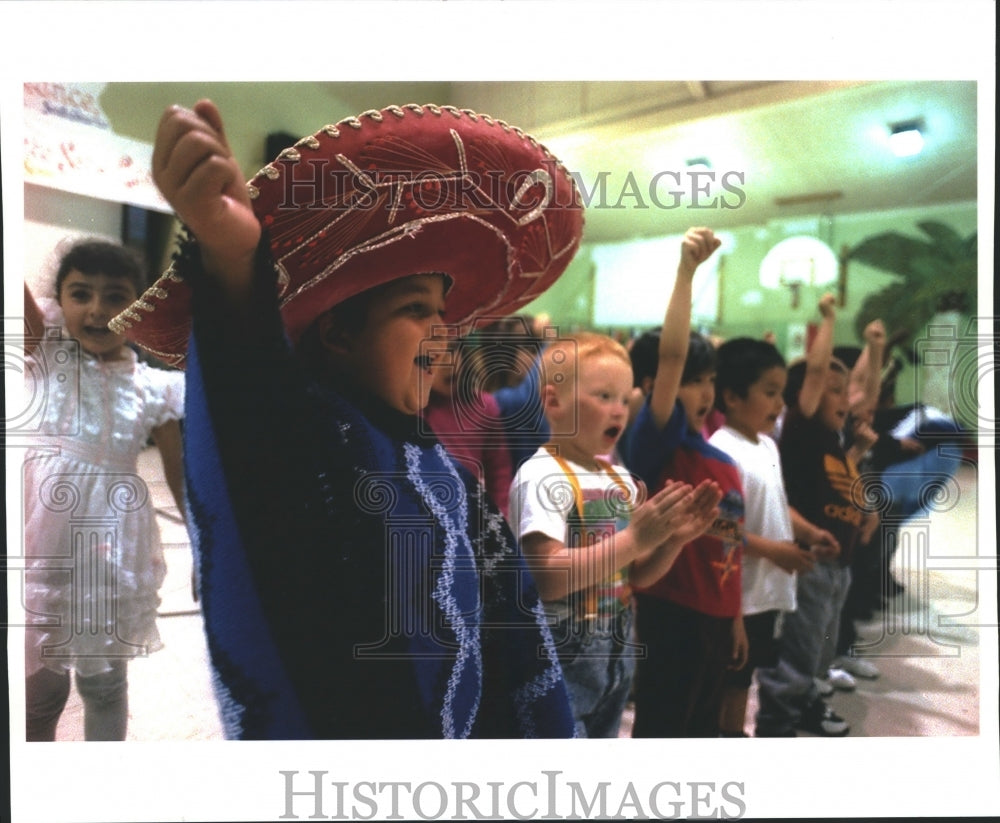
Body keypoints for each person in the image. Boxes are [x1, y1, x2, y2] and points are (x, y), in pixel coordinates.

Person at [110, 99, 587, 739]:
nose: (444, 332)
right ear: (336, 334)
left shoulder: (441, 465)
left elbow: (507, 626)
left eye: (445, 311)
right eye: (417, 309)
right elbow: (257, 433)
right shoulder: (319, 449)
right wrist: (233, 265)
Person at [509, 331, 723, 737]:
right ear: (553, 402)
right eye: (604, 396)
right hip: (562, 657)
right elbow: (549, 578)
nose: (619, 410)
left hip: (616, 650)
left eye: (625, 399)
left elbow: (635, 576)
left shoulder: (619, 478)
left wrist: (672, 541)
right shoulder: (541, 475)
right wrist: (634, 540)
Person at [23, 240, 185, 741]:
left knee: (105, 688)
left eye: (116, 296)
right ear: (59, 302)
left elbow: (179, 475)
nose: (97, 310)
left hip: (108, 557)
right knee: (40, 694)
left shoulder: (154, 386)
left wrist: (207, 548)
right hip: (39, 550)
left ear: (139, 306)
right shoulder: (46, 354)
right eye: (80, 294)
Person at [622, 228, 750, 738]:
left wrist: (735, 618)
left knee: (703, 728)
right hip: (671, 614)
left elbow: (731, 550)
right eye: (693, 380)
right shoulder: (659, 442)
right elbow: (671, 357)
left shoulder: (725, 461)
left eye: (708, 379)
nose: (703, 390)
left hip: (719, 618)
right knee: (664, 726)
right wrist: (686, 272)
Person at [708, 336, 838, 737]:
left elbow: (777, 507)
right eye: (769, 393)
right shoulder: (721, 451)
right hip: (735, 595)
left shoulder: (766, 444)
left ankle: (736, 736)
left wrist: (811, 532)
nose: (779, 404)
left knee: (743, 680)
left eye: (780, 393)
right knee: (727, 682)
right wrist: (774, 553)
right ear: (731, 396)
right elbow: (716, 527)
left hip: (763, 593)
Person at [755, 294, 870, 737]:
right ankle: (779, 720)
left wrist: (864, 510)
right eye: (832, 391)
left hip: (839, 566)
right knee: (799, 650)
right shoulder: (802, 433)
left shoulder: (835, 441)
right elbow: (817, 372)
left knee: (822, 649)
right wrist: (828, 319)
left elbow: (844, 482)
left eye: (845, 392)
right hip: (811, 561)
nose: (844, 399)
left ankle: (809, 702)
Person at [423, 338, 514, 516]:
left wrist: (500, 516)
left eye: (452, 349)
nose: (449, 362)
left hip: (470, 514)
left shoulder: (484, 406)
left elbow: (499, 472)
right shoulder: (414, 409)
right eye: (436, 353)